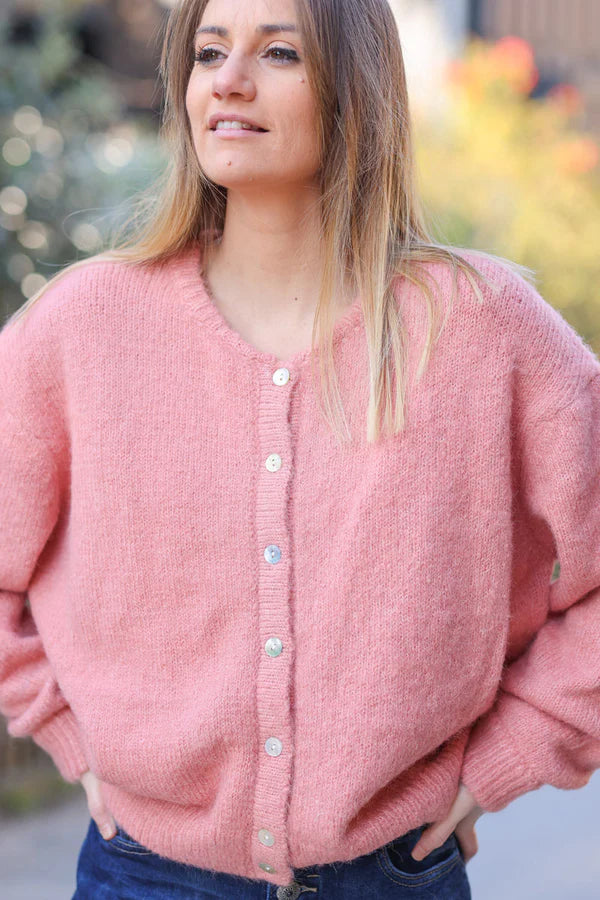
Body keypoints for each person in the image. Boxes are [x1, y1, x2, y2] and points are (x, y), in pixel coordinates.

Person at [1, 0, 599, 897]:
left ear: (356, 89)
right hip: (144, 873)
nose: (229, 80)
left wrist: (505, 761)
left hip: (394, 873)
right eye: (209, 52)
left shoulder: (482, 331)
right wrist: (66, 734)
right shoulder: (84, 329)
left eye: (278, 51)